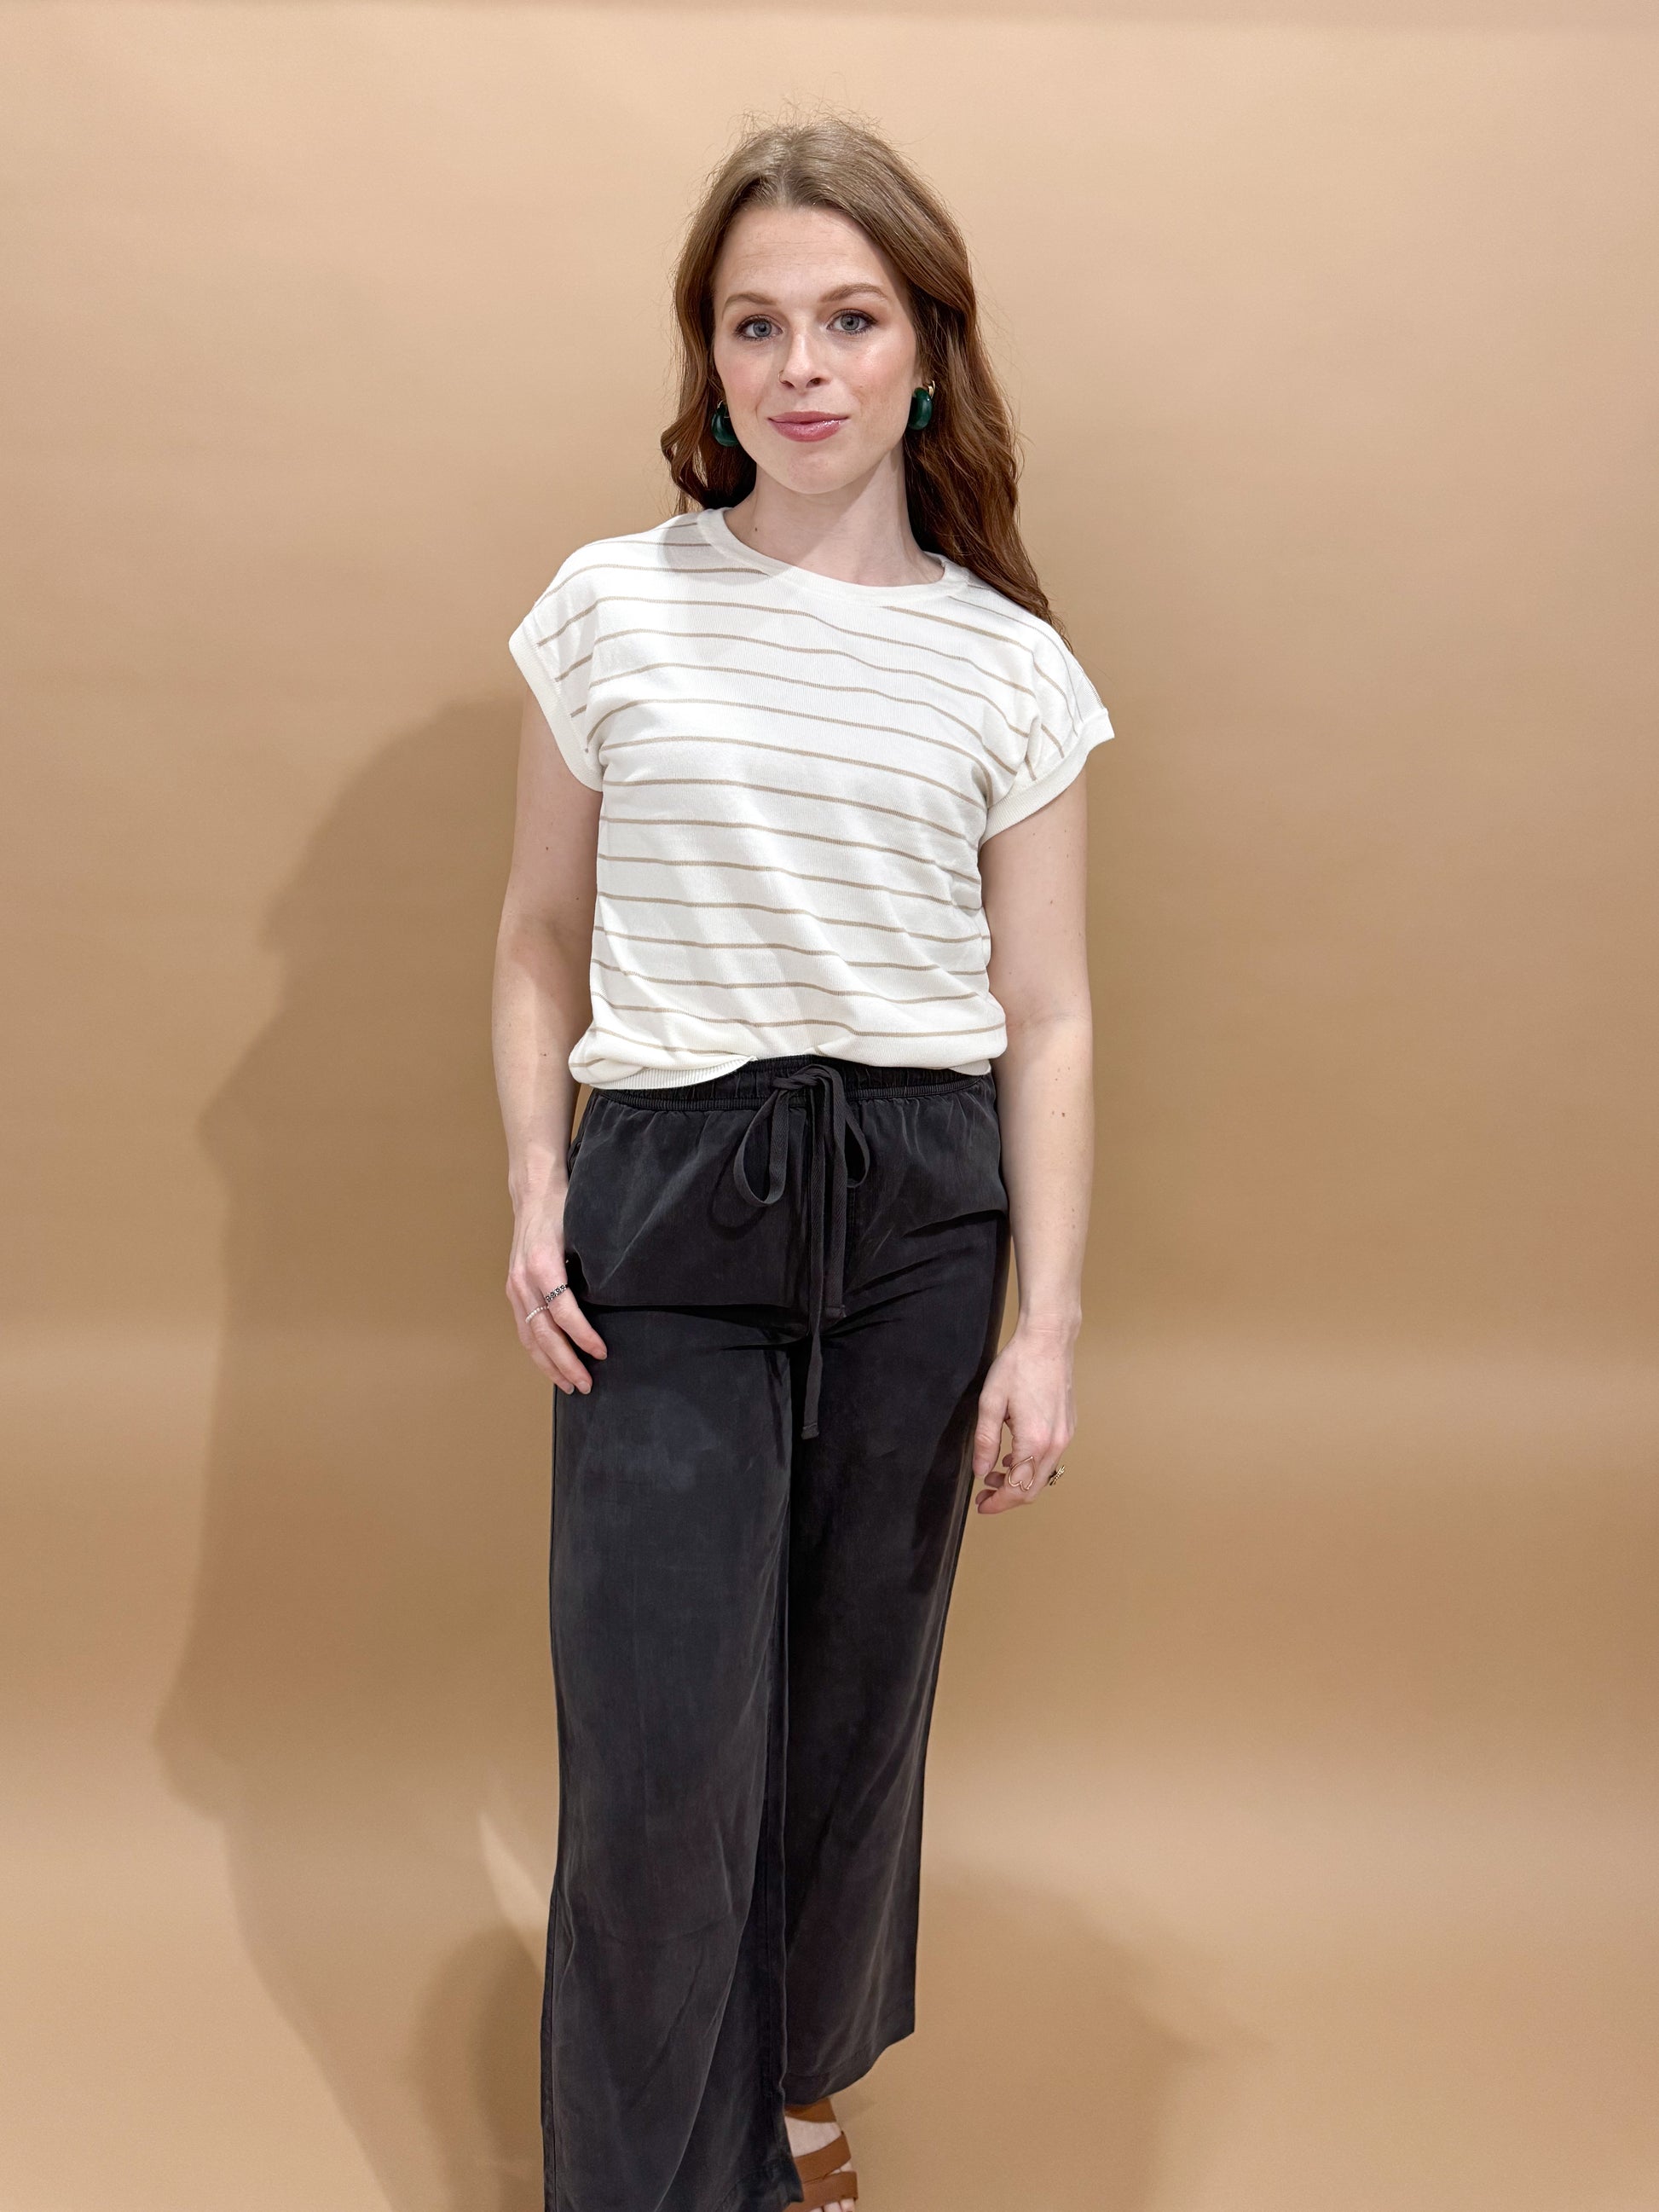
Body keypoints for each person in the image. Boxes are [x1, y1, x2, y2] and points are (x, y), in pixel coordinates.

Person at [492, 111, 1113, 2212]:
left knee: (850, 1719)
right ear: (709, 355)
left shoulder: (1008, 662)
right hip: (672, 1190)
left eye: (849, 319)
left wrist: (1046, 1321)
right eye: (753, 324)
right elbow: (536, 935)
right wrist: (536, 1185)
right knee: (661, 1750)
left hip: (923, 1207)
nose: (801, 366)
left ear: (927, 348)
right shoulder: (609, 607)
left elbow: (1048, 1012)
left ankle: (790, 2090)